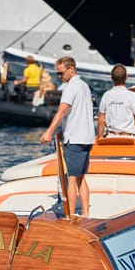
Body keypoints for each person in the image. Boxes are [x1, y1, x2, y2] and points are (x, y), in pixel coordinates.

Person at [40, 56, 95, 217]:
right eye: (57, 74)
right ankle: (85, 212)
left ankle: (69, 216)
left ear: (71, 70)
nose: (59, 77)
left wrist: (49, 131)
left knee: (71, 178)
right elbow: (77, 112)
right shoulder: (84, 86)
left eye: (61, 73)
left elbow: (62, 111)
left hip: (75, 139)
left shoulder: (70, 87)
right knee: (81, 178)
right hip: (87, 138)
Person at [97, 64, 135, 138]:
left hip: (111, 137)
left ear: (111, 78)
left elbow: (101, 120)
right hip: (128, 138)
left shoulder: (106, 95)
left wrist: (100, 137)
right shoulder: (133, 96)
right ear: (127, 77)